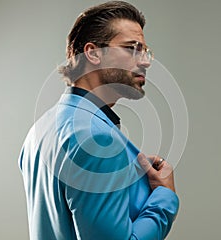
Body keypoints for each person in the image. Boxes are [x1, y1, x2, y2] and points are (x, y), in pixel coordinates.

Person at [19, 1, 179, 239]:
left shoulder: (38, 131)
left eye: (145, 51)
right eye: (132, 49)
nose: (145, 61)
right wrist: (165, 197)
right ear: (93, 52)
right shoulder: (98, 138)